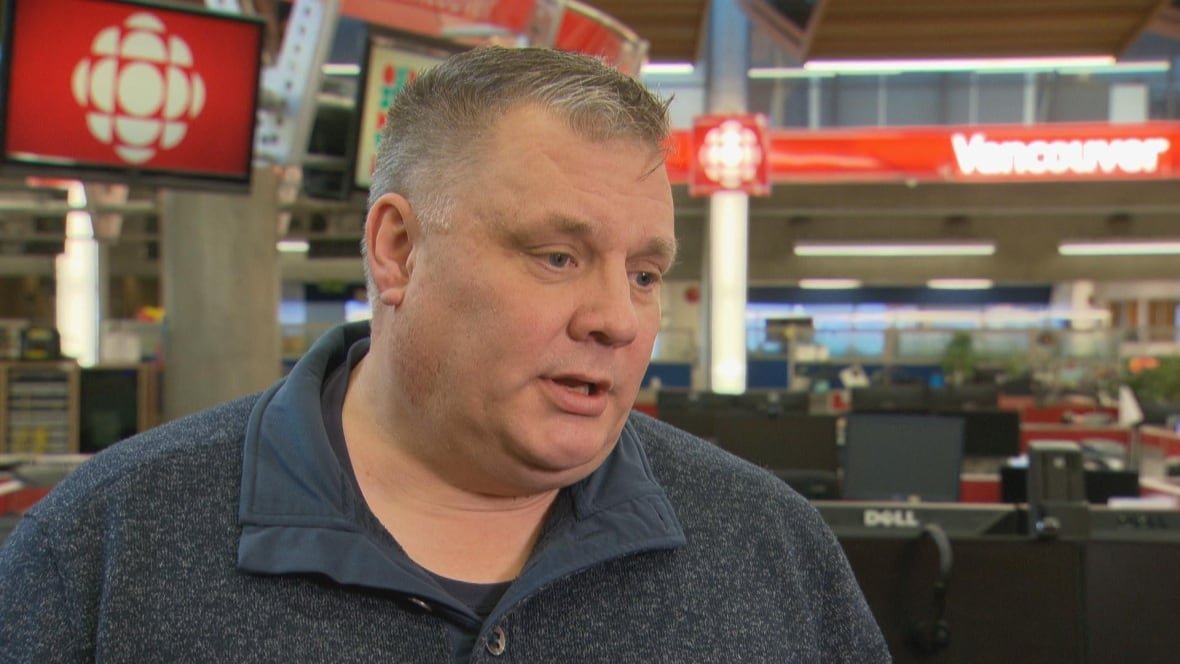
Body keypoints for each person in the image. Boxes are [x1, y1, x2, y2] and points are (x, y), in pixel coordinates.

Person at [0, 47, 889, 661]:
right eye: (557, 257)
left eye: (647, 272)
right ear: (397, 251)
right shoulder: (110, 546)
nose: (617, 318)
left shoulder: (768, 549)